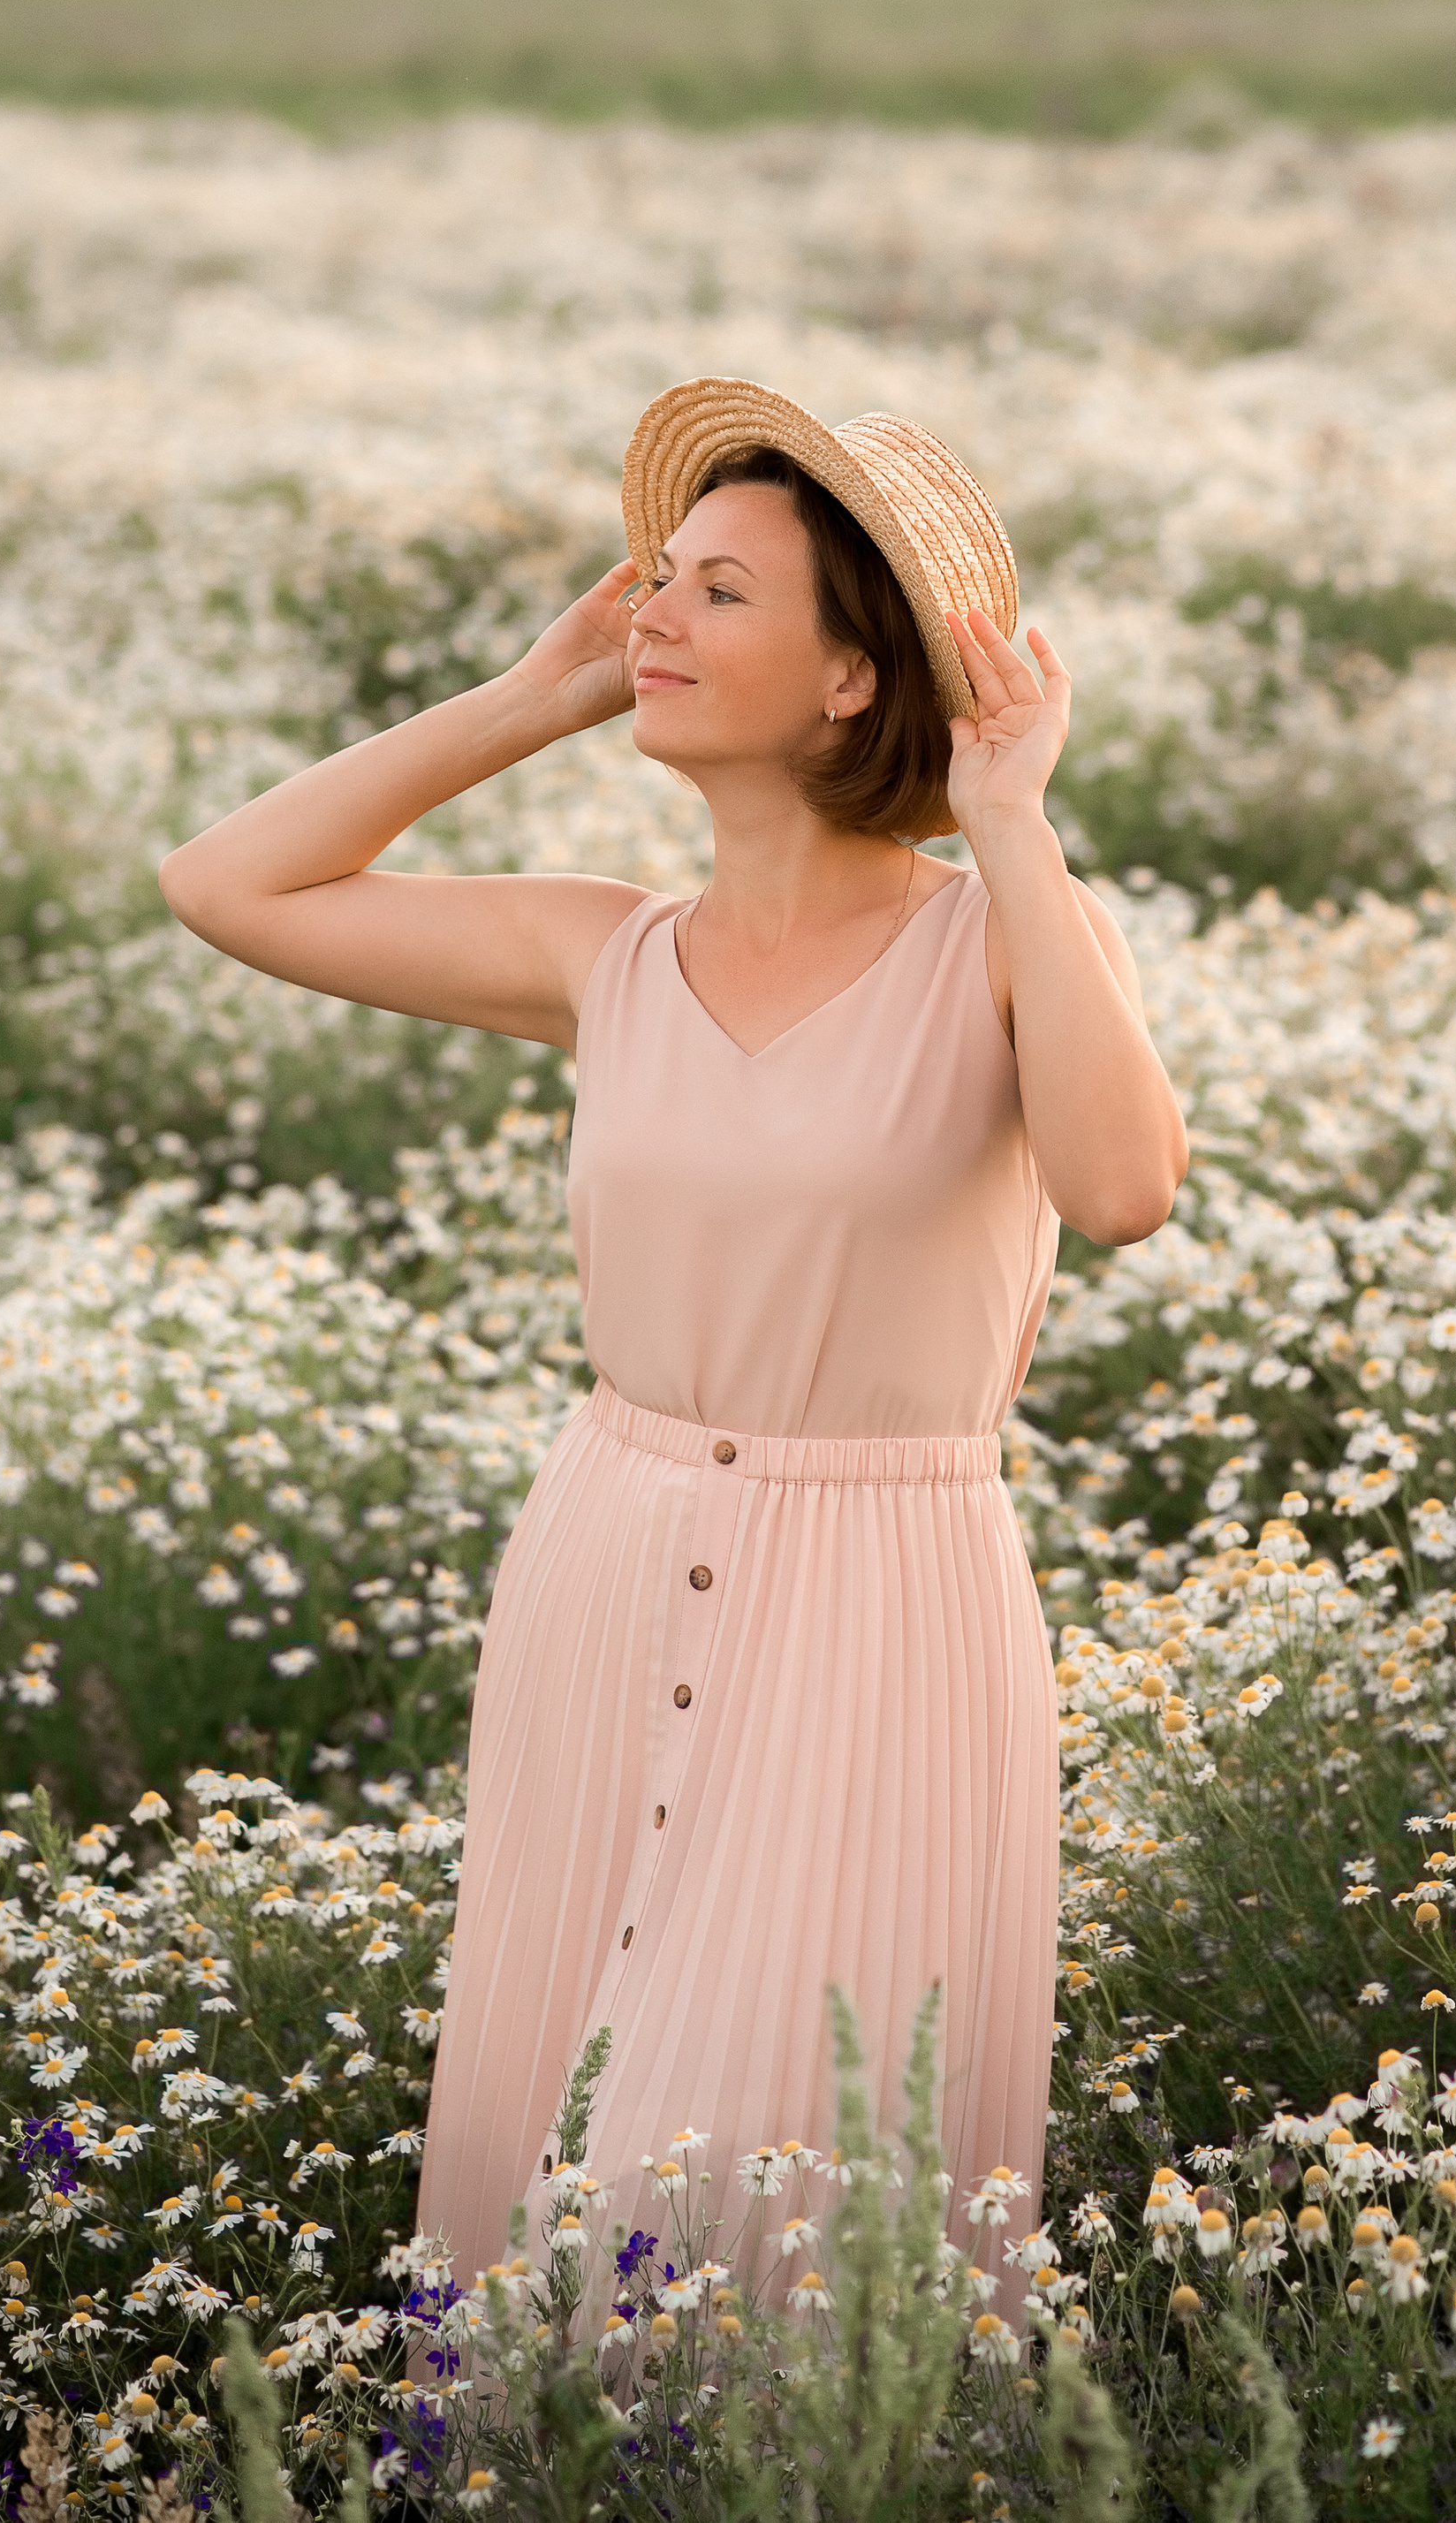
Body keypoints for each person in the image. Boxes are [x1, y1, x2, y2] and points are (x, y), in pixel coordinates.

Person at [158, 375, 1187, 2345]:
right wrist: (529, 701)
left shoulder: (1006, 935)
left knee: (770, 2168)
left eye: (719, 594)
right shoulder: (598, 946)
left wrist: (1011, 817)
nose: (656, 619)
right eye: (658, 583)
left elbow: (1123, 1186)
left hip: (881, 1604)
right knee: (553, 2130)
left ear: (845, 681)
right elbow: (225, 886)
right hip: (607, 1564)